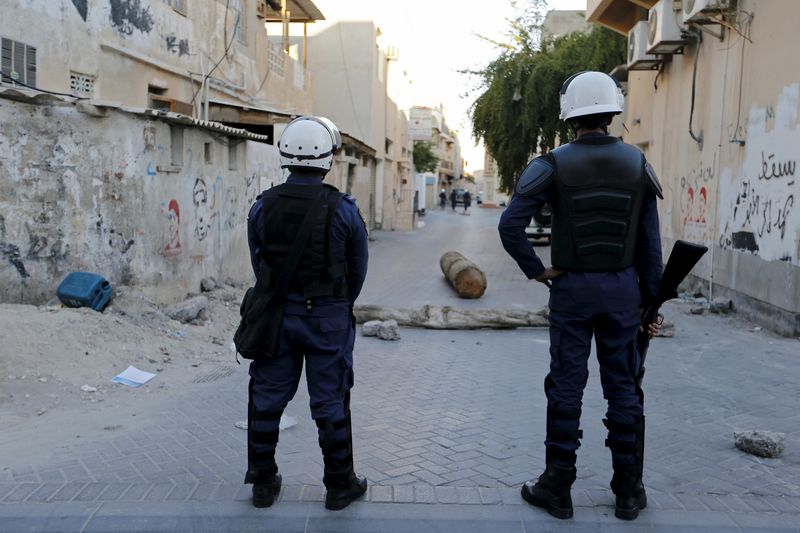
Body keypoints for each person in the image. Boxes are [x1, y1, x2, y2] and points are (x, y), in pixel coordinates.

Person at [498, 71, 663, 521]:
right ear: (612, 112)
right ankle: (628, 491)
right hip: (623, 292)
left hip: (571, 291)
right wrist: (652, 304)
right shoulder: (638, 164)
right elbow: (650, 245)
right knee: (624, 387)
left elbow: (509, 225)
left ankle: (558, 487)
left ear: (569, 114)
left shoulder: (549, 164)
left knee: (566, 386)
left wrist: (538, 271)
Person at [245, 116, 369, 511]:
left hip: (277, 317)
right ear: (327, 159)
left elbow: (258, 263)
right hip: (327, 318)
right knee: (331, 400)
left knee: (266, 397)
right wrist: (337, 304)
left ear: (284, 155)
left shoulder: (261, 206)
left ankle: (262, 483)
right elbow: (359, 268)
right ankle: (339, 485)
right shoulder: (344, 209)